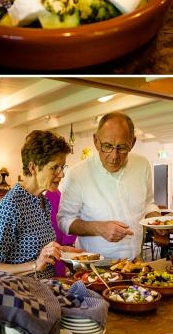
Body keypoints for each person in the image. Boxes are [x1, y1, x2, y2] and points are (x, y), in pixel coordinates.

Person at [58, 112, 162, 261]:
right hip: (93, 267)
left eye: (122, 147)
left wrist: (159, 221)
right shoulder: (77, 174)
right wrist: (98, 228)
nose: (114, 156)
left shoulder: (142, 165)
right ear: (95, 141)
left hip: (135, 263)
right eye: (107, 146)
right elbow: (64, 221)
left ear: (132, 143)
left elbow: (148, 204)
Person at [0, 131, 80, 278]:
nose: (61, 174)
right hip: (23, 295)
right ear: (33, 167)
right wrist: (35, 265)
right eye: (54, 168)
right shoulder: (11, 206)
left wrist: (61, 251)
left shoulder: (43, 201)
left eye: (62, 167)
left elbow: (36, 250)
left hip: (46, 289)